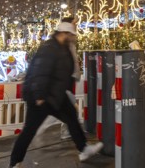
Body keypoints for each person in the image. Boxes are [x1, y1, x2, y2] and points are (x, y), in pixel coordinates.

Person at [9, 22, 102, 167]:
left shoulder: (61, 48)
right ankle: (15, 161)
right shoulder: (49, 48)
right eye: (71, 35)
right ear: (63, 34)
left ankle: (84, 149)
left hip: (55, 94)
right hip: (41, 96)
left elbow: (63, 72)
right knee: (29, 131)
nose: (73, 37)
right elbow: (40, 71)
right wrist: (39, 95)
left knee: (71, 118)